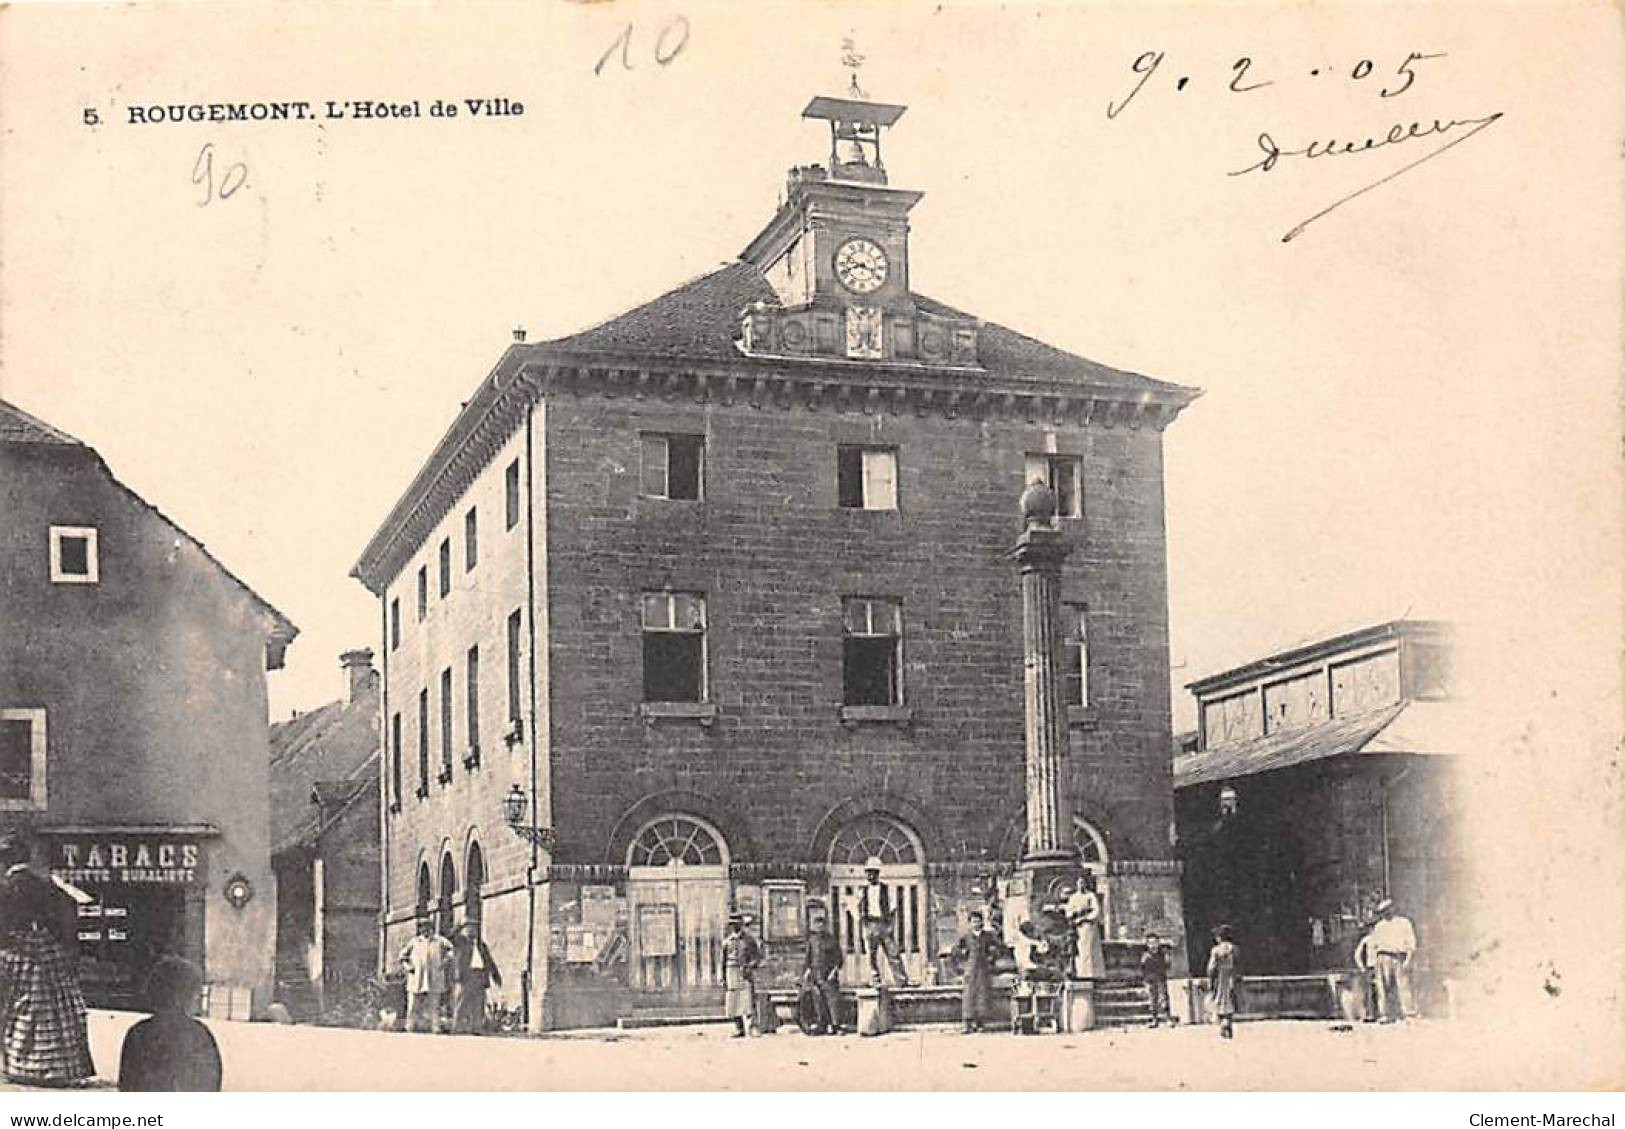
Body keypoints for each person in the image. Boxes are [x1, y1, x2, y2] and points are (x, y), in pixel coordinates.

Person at [0, 835, 95, 1086]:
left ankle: (20, 1063)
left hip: (14, 951)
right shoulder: (45, 884)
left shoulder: (7, 886)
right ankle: (54, 1067)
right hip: (46, 949)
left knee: (14, 1007)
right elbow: (68, 911)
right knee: (54, 1007)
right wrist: (63, 945)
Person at [117, 955, 221, 1091]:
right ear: (185, 996)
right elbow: (211, 1083)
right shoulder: (198, 1035)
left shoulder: (137, 1033)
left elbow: (127, 1084)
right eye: (196, 994)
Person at [855, 858, 909, 987]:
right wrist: (864, 923)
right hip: (870, 924)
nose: (870, 875)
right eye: (868, 873)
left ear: (877, 874)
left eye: (872, 872)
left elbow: (893, 908)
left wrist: (890, 925)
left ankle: (901, 980)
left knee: (893, 952)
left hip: (883, 924)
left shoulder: (886, 889)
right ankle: (875, 980)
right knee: (871, 955)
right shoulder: (863, 890)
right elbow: (856, 908)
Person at [397, 917, 454, 1034]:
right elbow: (402, 956)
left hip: (434, 976)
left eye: (428, 927)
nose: (425, 930)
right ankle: (410, 1026)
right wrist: (408, 967)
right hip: (417, 977)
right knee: (413, 1004)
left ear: (431, 928)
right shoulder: (414, 942)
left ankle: (436, 1027)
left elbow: (451, 950)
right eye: (423, 927)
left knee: (434, 1004)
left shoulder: (439, 941)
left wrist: (444, 961)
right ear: (420, 929)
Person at [1367, 898, 1418, 1022]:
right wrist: (1372, 963)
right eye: (1382, 911)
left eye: (1387, 909)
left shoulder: (1404, 923)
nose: (1385, 912)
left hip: (1398, 956)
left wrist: (1408, 959)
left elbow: (1411, 943)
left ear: (1393, 908)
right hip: (1382, 957)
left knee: (1403, 985)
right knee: (1382, 987)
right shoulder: (1379, 926)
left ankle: (1408, 1014)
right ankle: (1384, 1014)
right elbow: (1373, 945)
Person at [449, 919, 502, 1034]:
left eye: (474, 928)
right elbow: (450, 937)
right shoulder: (460, 942)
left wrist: (495, 975)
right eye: (469, 928)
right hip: (467, 975)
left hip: (480, 975)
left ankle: (477, 1027)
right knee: (462, 1001)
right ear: (464, 930)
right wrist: (459, 925)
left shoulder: (481, 945)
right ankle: (457, 1027)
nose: (472, 930)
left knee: (479, 1003)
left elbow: (489, 960)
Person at [951, 911, 1001, 1033]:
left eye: (978, 921)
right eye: (974, 921)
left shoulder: (988, 936)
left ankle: (981, 1023)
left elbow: (997, 949)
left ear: (982, 922)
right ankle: (967, 1023)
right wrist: (962, 963)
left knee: (982, 995)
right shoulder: (965, 937)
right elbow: (956, 952)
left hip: (984, 968)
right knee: (969, 995)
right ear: (970, 923)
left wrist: (991, 958)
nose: (976, 924)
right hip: (970, 968)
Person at [802, 908, 844, 1034]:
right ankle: (822, 1024)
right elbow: (808, 958)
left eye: (822, 924)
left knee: (832, 1000)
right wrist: (807, 971)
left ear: (825, 926)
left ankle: (835, 1025)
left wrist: (834, 972)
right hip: (816, 974)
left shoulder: (831, 940)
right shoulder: (812, 940)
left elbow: (839, 958)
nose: (819, 927)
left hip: (828, 975)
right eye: (817, 924)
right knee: (818, 1001)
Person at [720, 913, 762, 1037]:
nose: (735, 927)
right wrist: (722, 977)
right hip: (731, 972)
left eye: (737, 924)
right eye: (732, 925)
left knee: (748, 1001)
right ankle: (739, 1028)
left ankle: (753, 1027)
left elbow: (757, 957)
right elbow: (722, 962)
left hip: (744, 973)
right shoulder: (727, 942)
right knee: (733, 1001)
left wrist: (750, 966)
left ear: (741, 925)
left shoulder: (749, 940)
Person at [1064, 871, 1105, 981]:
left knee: (1089, 949)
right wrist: (1072, 915)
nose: (1081, 885)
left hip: (1088, 925)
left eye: (1083, 882)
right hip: (1077, 926)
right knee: (1079, 949)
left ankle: (1092, 973)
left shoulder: (1090, 895)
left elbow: (1096, 910)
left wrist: (1086, 917)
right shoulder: (1073, 897)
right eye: (1079, 883)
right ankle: (1080, 972)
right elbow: (1068, 910)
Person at [1206, 924, 1238, 1039]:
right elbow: (1238, 964)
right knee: (1231, 999)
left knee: (1219, 999)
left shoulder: (1216, 950)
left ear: (1219, 937)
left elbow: (1211, 967)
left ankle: (1223, 1023)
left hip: (1220, 977)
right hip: (1232, 976)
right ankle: (1228, 1021)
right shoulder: (1234, 949)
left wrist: (1210, 980)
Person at [1141, 932, 1172, 1027]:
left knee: (1163, 999)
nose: (1153, 945)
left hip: (1160, 978)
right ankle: (1154, 1019)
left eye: (1155, 943)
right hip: (1150, 980)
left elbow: (1167, 965)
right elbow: (1143, 968)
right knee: (1152, 1000)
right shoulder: (1145, 956)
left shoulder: (1162, 954)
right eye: (1150, 943)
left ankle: (1167, 1018)